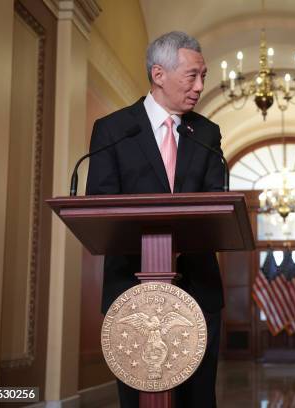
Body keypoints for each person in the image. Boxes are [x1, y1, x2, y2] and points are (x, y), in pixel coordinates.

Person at [86, 31, 224, 408]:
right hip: (131, 289)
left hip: (197, 287)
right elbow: (99, 207)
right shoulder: (114, 130)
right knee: (138, 394)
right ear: (159, 74)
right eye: (192, 75)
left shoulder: (207, 134)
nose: (199, 86)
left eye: (203, 76)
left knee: (198, 399)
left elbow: (216, 209)